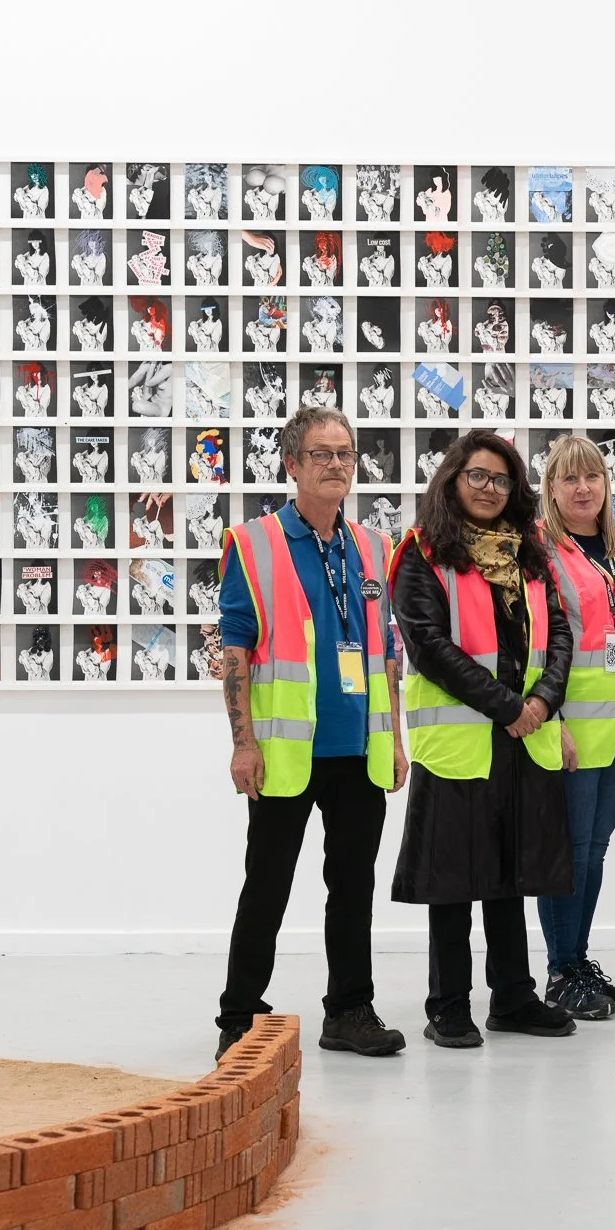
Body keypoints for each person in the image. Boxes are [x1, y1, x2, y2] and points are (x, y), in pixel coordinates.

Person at [214, 406, 407, 1062]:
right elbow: (234, 650)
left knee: (353, 888)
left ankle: (350, 1010)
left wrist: (396, 738)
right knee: (266, 886)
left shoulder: (374, 547)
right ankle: (239, 1014)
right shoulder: (254, 543)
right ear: (292, 465)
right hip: (285, 751)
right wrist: (242, 743)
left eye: (345, 453)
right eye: (321, 453)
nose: (336, 465)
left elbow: (385, 653)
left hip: (359, 748)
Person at [390, 429, 577, 1048]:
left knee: (510, 875)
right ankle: (447, 1005)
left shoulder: (530, 554)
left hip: (523, 740)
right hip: (461, 744)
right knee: (451, 883)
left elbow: (559, 634)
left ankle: (514, 998)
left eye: (501, 479)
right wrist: (509, 708)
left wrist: (543, 701)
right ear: (452, 479)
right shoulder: (421, 553)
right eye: (478, 475)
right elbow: (429, 646)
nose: (490, 488)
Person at [534, 434, 615, 1021]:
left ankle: (578, 961)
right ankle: (560, 972)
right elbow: (537, 644)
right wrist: (550, 721)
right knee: (569, 855)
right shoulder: (540, 550)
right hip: (571, 729)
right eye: (569, 478)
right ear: (551, 489)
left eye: (593, 476)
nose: (583, 488)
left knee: (594, 853)